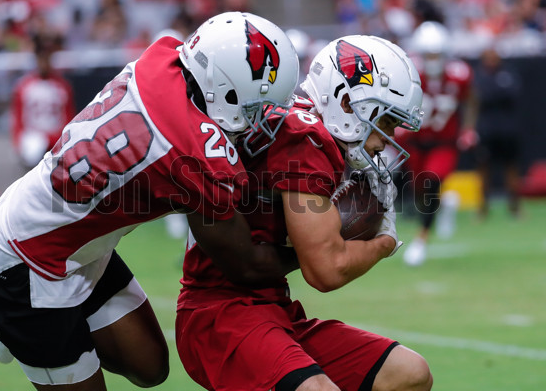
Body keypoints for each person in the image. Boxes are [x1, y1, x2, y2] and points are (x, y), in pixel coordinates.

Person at [0, 11, 299, 390]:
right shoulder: (194, 154)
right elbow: (248, 266)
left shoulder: (162, 56)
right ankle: (22, 330)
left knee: (149, 366)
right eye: (258, 106)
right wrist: (316, 245)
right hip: (23, 261)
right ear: (223, 90)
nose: (262, 119)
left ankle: (44, 334)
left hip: (72, 240)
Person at [176, 35, 433, 391]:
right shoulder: (305, 137)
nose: (385, 139)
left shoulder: (299, 120)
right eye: (386, 122)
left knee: (408, 374)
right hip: (222, 314)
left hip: (272, 306)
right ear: (346, 102)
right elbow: (326, 270)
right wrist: (385, 243)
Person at [399, 21, 477, 267]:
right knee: (422, 190)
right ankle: (444, 205)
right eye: (428, 54)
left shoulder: (459, 74)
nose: (432, 59)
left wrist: (468, 129)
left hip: (444, 141)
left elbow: (472, 100)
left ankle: (420, 241)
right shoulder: (409, 73)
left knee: (432, 181)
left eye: (436, 54)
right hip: (415, 140)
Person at [11, 33, 76, 170]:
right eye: (41, 58)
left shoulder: (62, 86)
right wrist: (18, 141)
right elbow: (17, 116)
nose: (44, 63)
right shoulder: (24, 86)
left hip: (55, 140)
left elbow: (68, 116)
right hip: (32, 139)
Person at [474, 46, 522, 219]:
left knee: (511, 168)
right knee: (484, 169)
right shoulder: (478, 76)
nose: (491, 60)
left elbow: (512, 93)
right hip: (487, 130)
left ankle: (514, 206)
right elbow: (480, 96)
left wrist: (491, 93)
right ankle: (483, 207)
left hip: (508, 130)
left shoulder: (509, 73)